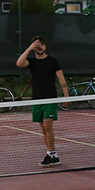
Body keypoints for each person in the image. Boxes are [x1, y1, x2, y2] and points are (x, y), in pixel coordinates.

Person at [16, 36, 69, 167]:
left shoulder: (52, 61)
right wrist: (29, 48)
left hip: (50, 98)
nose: (40, 47)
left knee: (48, 125)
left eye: (42, 44)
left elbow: (61, 78)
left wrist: (66, 95)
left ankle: (50, 153)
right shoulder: (32, 62)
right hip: (36, 99)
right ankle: (53, 155)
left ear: (45, 47)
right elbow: (19, 63)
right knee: (44, 129)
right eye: (37, 45)